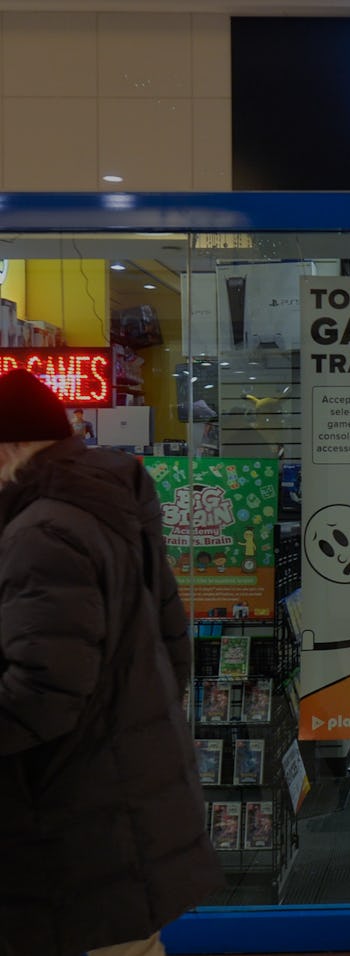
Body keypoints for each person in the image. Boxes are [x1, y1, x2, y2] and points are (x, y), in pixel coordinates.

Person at [0, 369, 223, 956]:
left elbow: (40, 693)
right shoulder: (109, 506)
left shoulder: (41, 530)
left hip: (71, 822)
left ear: (11, 447)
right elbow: (174, 644)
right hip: (123, 805)